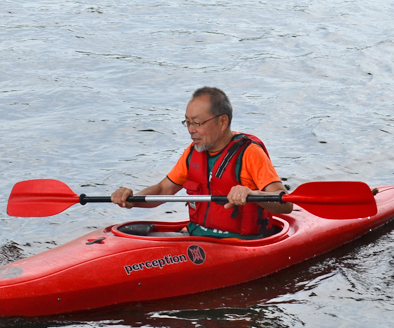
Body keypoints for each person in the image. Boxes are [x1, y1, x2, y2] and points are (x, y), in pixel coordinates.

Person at [111, 87, 292, 239]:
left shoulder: (250, 153)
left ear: (222, 122)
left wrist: (252, 194)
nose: (191, 130)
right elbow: (163, 190)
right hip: (197, 235)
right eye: (187, 122)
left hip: (239, 242)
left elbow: (285, 204)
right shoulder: (192, 153)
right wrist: (132, 199)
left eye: (197, 123)